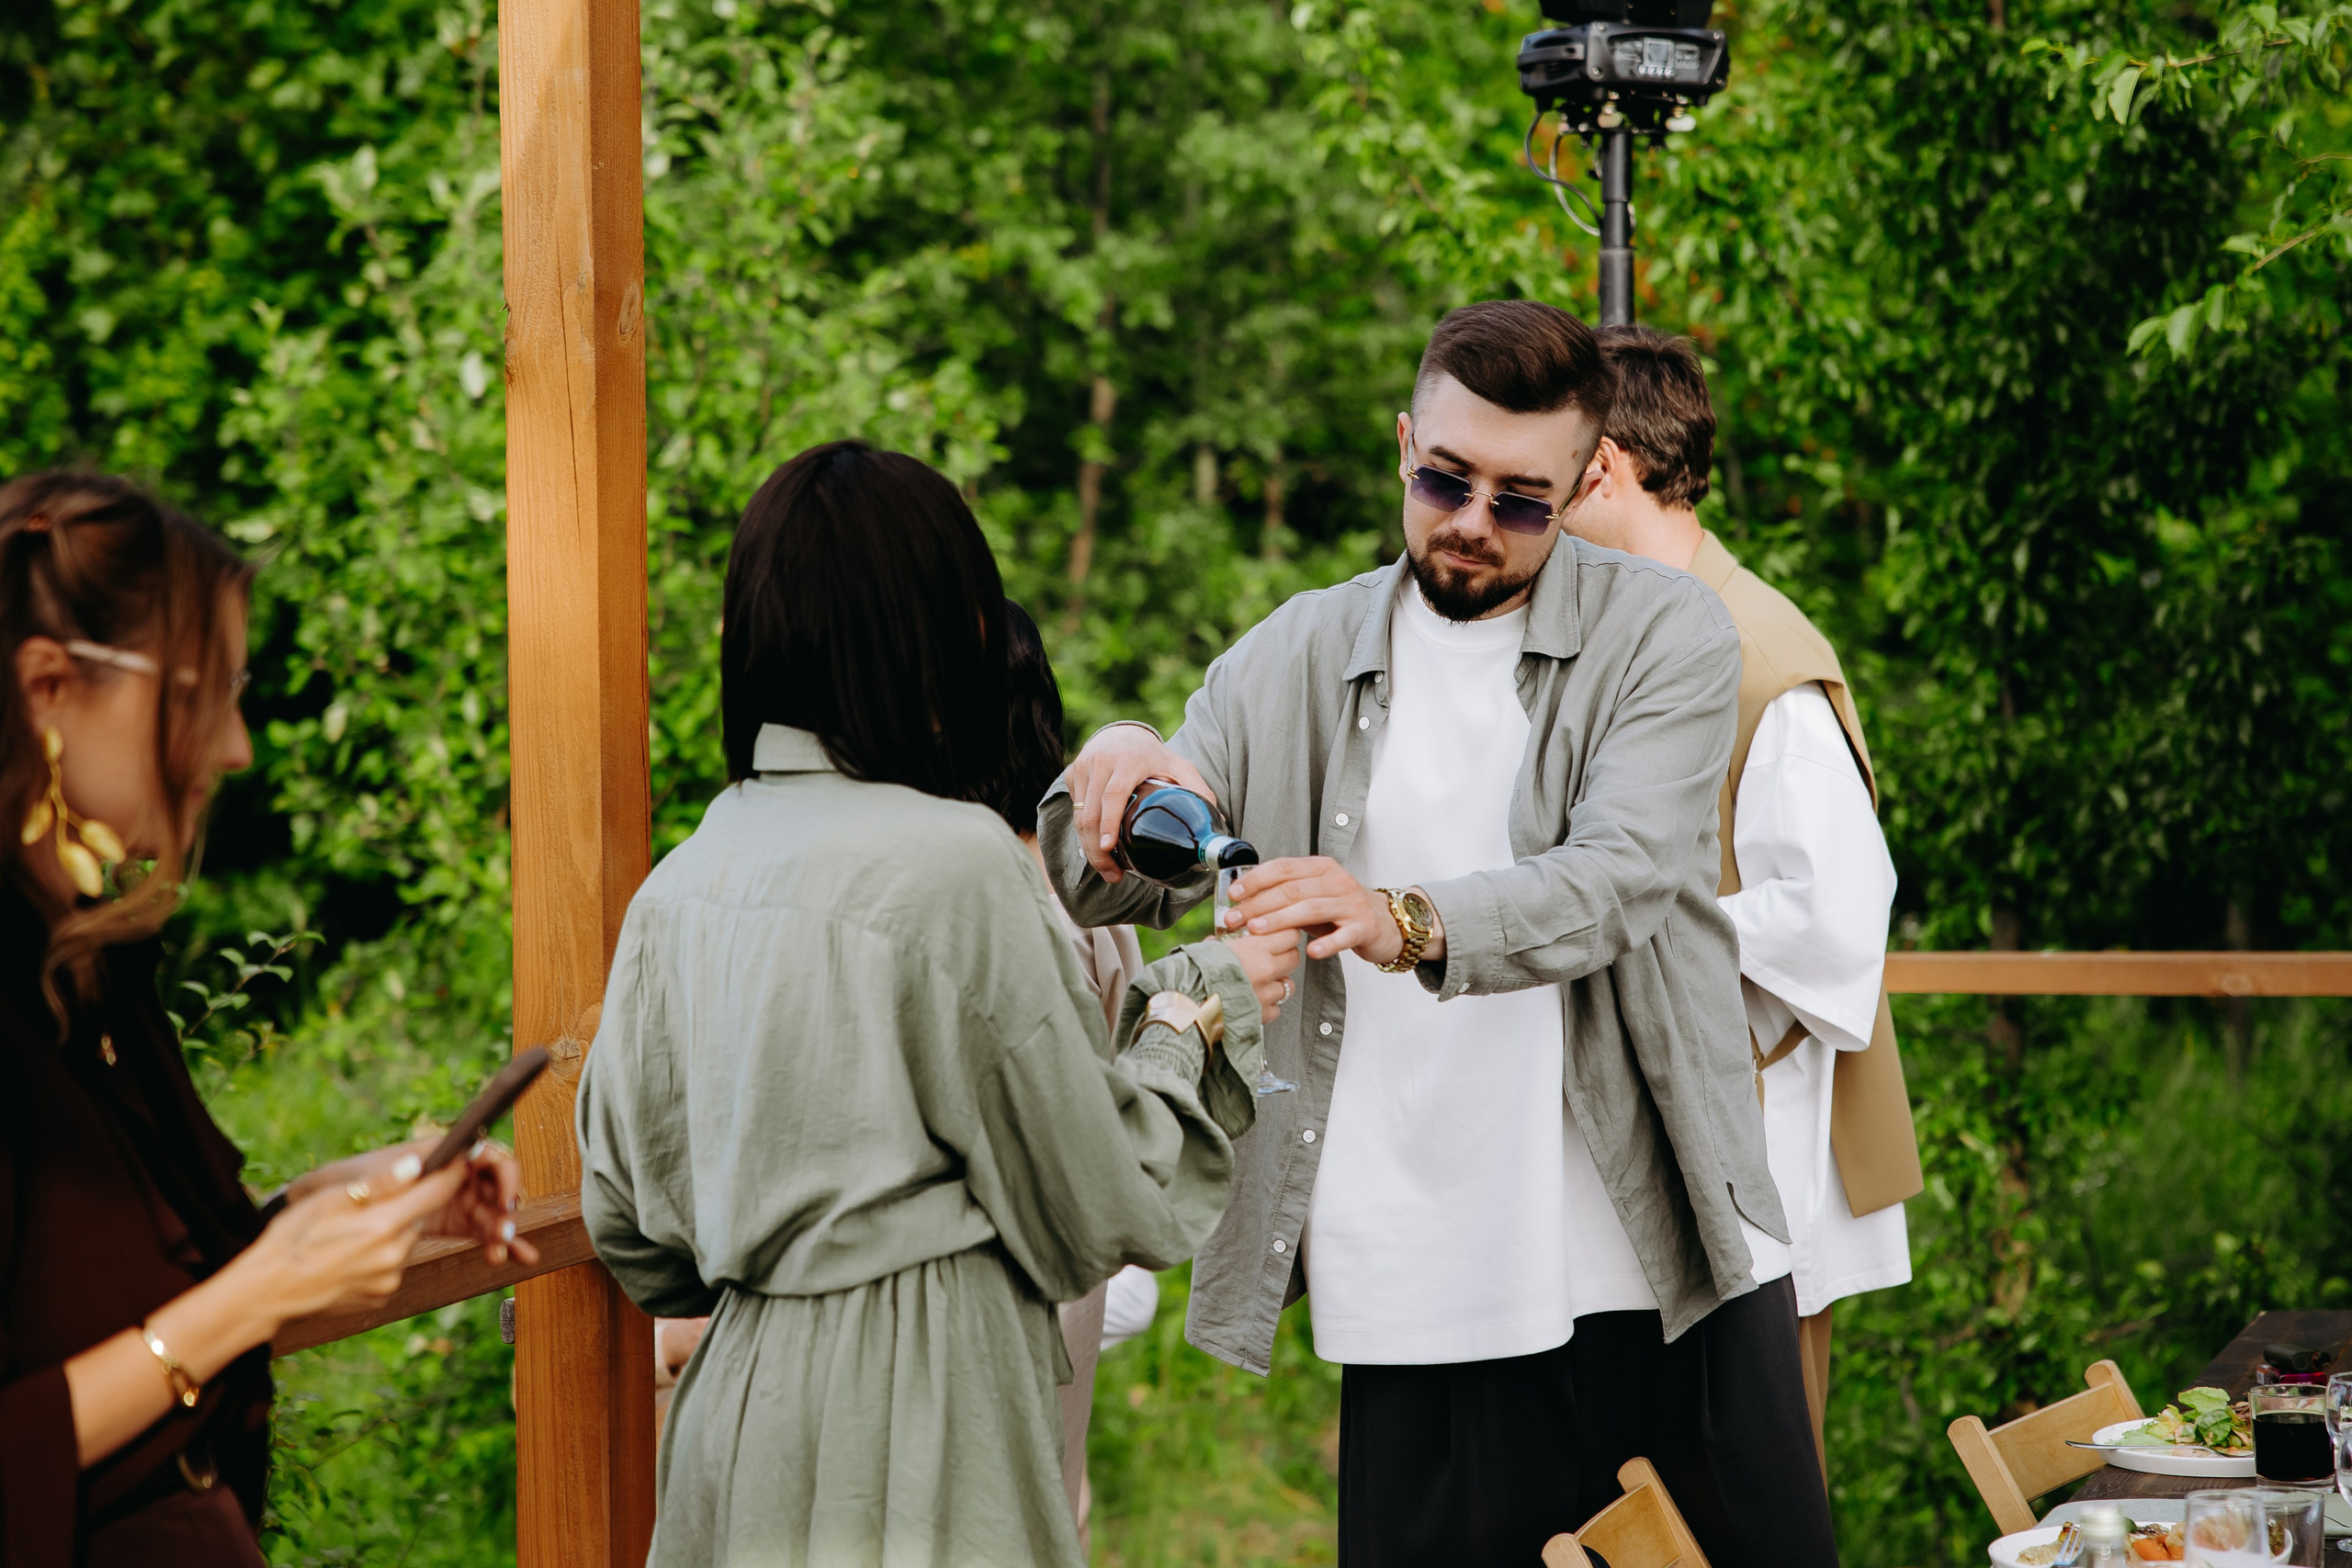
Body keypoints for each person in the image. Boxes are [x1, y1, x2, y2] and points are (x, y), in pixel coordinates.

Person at [1046, 300, 1838, 1566]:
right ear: (1406, 444)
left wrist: (1398, 917)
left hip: (1654, 1258)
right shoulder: (1298, 647)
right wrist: (1118, 761)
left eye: (1521, 499)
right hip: (1411, 1275)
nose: (1472, 520)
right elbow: (1113, 884)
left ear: (1587, 479)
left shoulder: (1665, 630)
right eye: (1444, 480)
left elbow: (1623, 875)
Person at [571, 439, 1302, 1568]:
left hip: (737, 1423)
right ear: (936, 627)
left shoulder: (681, 883)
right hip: (925, 1420)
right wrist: (1196, 1005)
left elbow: (632, 1230)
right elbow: (1097, 1205)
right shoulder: (961, 865)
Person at [0, 472, 534, 1568]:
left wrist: (362, 1197)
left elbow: (135, 1290)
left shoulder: (97, 962)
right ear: (47, 686)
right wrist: (256, 1294)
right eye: (201, 695)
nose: (236, 745)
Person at [1572, 323, 1921, 1472]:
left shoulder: (1755, 653)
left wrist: (1610, 929)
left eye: (1546, 469)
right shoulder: (1635, 628)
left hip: (1755, 1166)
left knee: (1753, 1496)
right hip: (1654, 1158)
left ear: (1604, 465)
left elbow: (1833, 913)